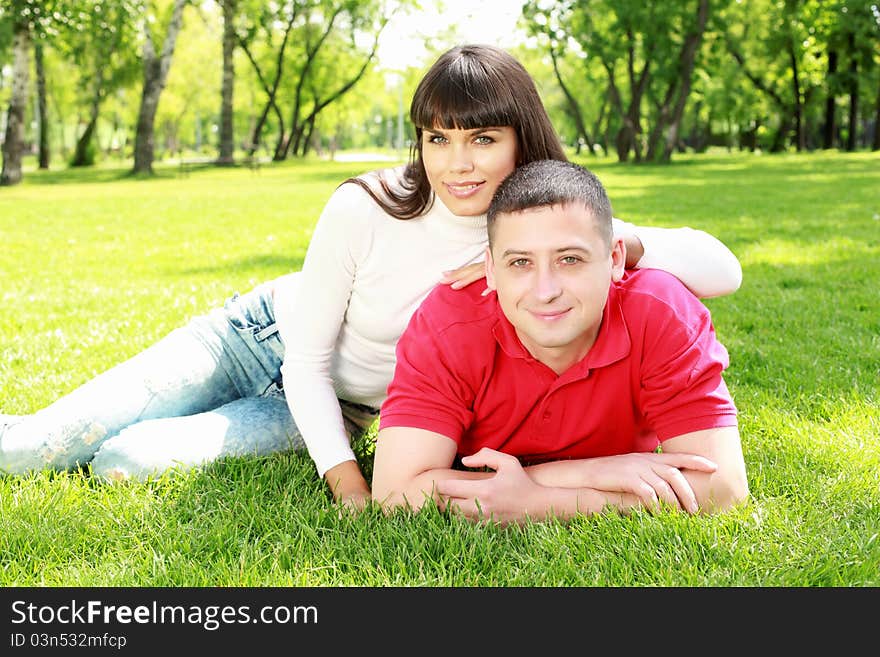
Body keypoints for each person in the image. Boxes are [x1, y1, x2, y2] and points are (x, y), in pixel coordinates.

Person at [0, 45, 742, 510]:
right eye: (437, 138)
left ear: (522, 137)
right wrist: (347, 484)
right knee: (38, 447)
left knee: (126, 460)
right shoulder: (368, 206)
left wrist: (622, 243)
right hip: (260, 341)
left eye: (484, 138)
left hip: (348, 407)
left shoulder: (547, 221)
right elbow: (309, 360)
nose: (458, 163)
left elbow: (722, 267)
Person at [371, 159, 749, 523]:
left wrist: (540, 500)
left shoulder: (661, 311)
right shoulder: (450, 322)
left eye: (569, 260)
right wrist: (593, 474)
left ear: (616, 258)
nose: (545, 291)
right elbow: (395, 492)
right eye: (520, 263)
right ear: (490, 269)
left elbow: (723, 486)